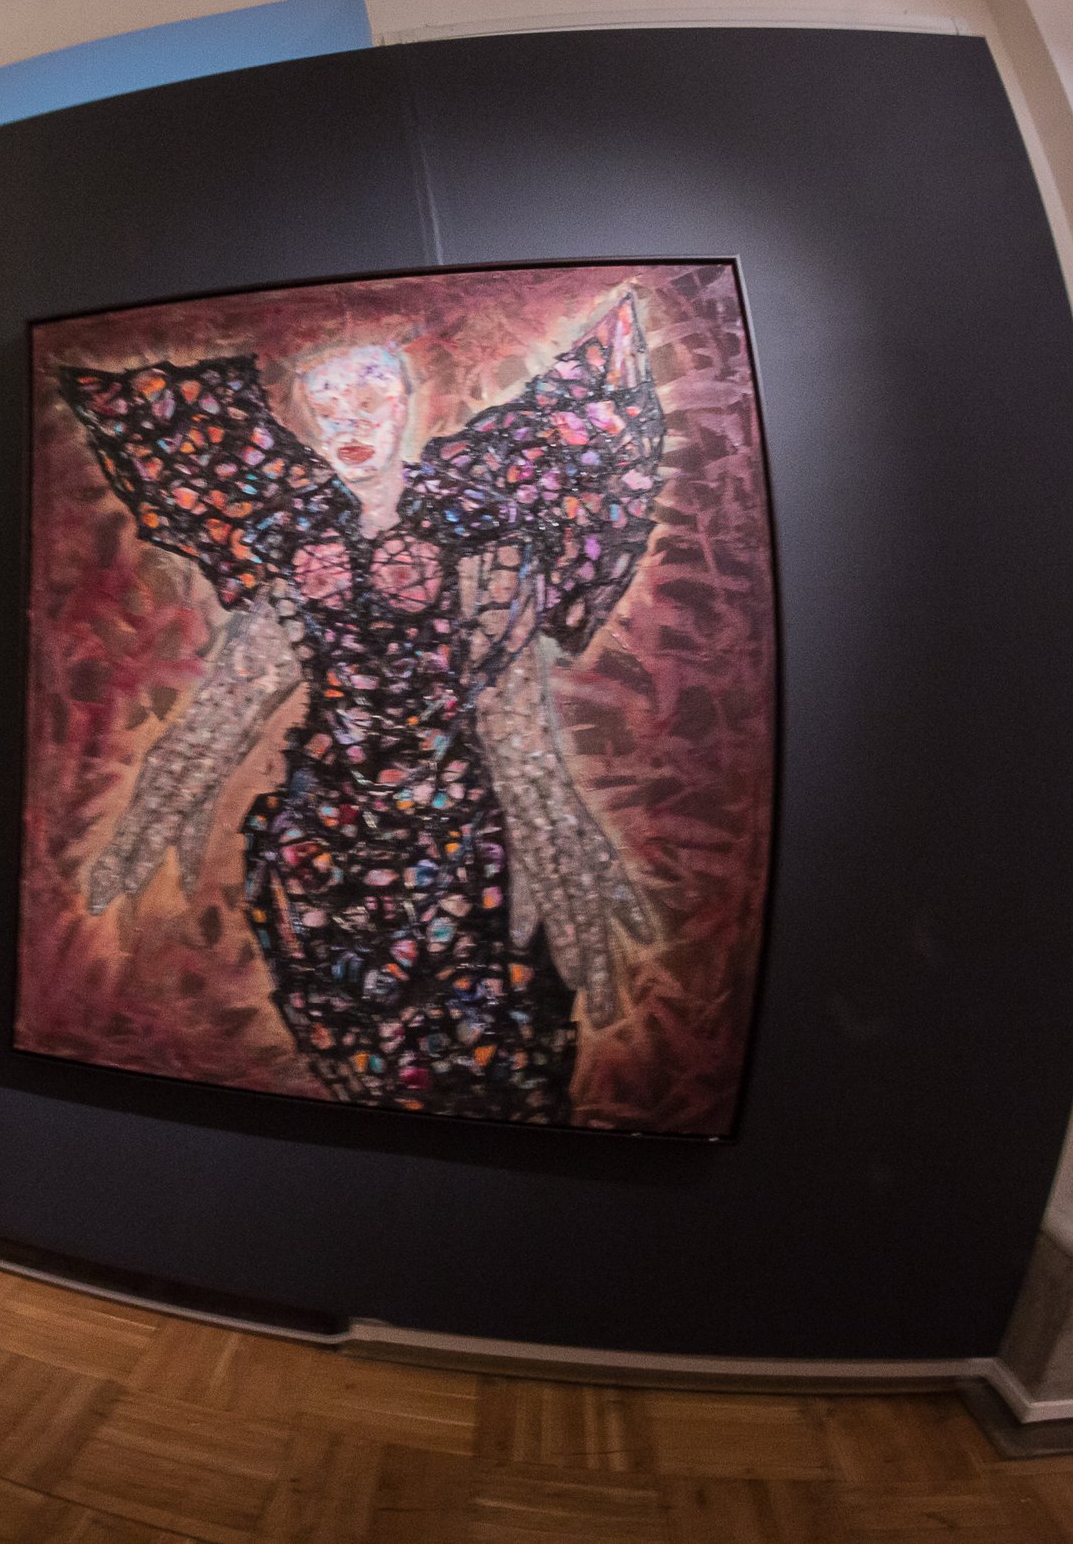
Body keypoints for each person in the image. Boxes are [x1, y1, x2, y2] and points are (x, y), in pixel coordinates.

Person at [54, 296, 667, 1125]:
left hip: (460, 850)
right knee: (368, 1076)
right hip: (321, 864)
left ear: (407, 401)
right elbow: (230, 703)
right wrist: (160, 802)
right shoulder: (300, 546)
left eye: (371, 392)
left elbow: (518, 729)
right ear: (303, 420)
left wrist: (558, 835)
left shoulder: (483, 534)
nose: (351, 417)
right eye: (327, 401)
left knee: (505, 1067)